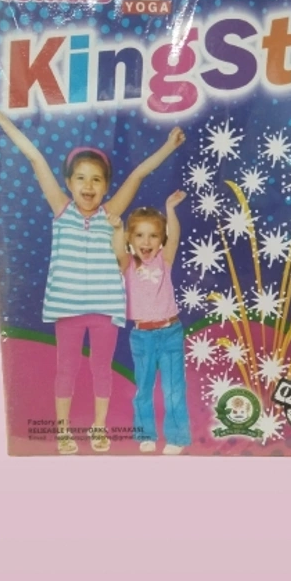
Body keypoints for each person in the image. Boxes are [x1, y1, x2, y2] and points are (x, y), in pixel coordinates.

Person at [0, 106, 185, 454]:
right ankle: (63, 430)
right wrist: (2, 120)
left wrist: (169, 146)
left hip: (105, 309)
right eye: (80, 178)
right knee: (67, 370)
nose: (88, 186)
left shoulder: (112, 213)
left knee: (101, 370)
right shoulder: (61, 209)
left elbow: (138, 173)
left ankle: (98, 428)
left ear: (106, 186)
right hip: (68, 309)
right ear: (68, 183)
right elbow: (35, 158)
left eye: (96, 180)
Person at [109, 191, 191, 455]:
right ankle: (146, 434)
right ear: (130, 239)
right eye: (139, 235)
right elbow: (117, 249)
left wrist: (170, 209)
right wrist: (118, 229)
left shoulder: (164, 260)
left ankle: (177, 437)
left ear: (161, 240)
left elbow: (174, 236)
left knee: (174, 390)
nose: (146, 241)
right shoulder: (127, 264)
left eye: (153, 236)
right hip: (142, 336)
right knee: (143, 389)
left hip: (170, 332)